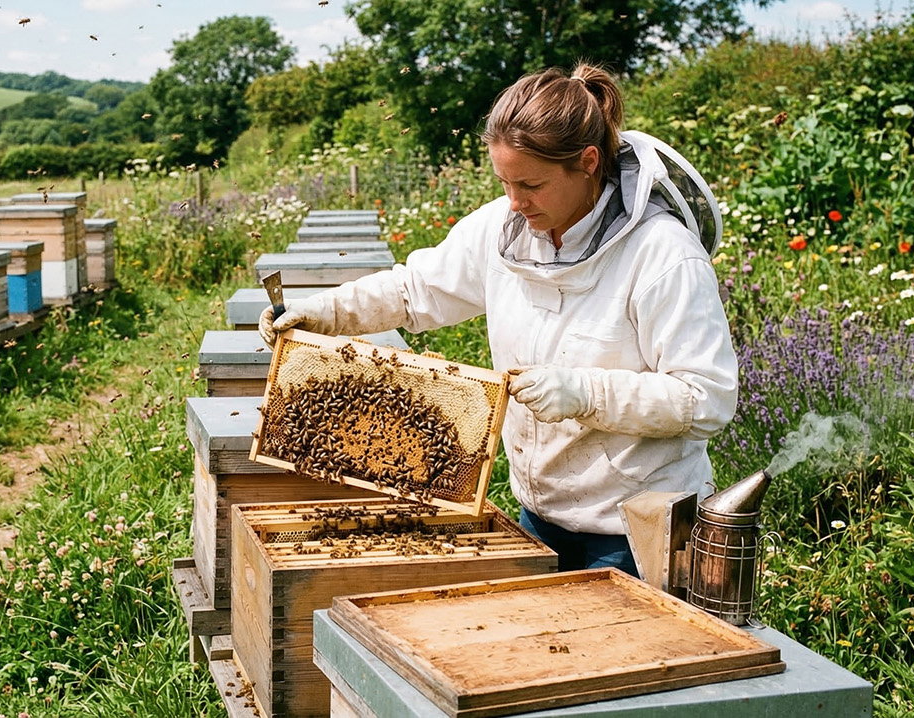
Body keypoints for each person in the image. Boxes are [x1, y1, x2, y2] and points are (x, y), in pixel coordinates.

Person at [259, 64, 738, 576]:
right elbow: (415, 289)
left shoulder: (662, 255)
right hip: (538, 514)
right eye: (504, 181)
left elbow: (707, 397)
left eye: (530, 183)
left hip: (637, 527)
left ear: (588, 162)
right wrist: (326, 311)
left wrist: (587, 394)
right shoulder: (503, 225)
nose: (514, 201)